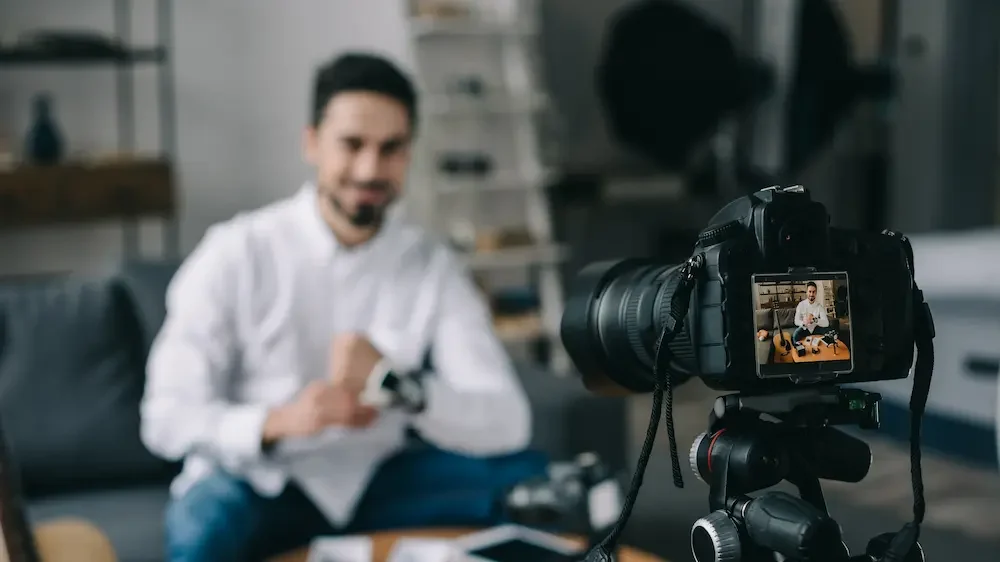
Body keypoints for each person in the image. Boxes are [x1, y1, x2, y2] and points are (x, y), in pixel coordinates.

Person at [140, 52, 547, 562]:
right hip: (259, 482)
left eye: (391, 148)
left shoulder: (431, 265)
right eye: (352, 145)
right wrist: (278, 421)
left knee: (537, 482)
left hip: (380, 480)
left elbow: (509, 421)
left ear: (409, 153)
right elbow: (164, 417)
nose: (370, 169)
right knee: (203, 529)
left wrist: (400, 385)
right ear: (312, 142)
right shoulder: (235, 252)